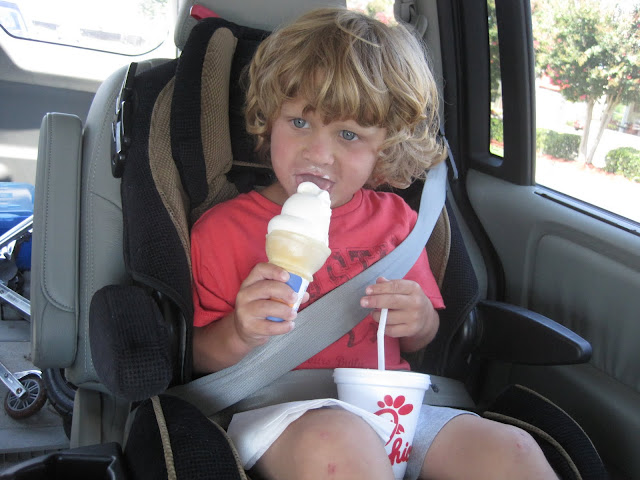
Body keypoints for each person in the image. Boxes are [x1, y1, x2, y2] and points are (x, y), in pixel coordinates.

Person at [191, 7, 558, 480]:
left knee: (511, 448)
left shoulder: (396, 224)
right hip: (279, 411)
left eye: (348, 134)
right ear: (269, 120)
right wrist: (241, 332)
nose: (318, 153)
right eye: (299, 123)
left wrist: (419, 319)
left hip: (387, 399)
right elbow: (199, 357)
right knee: (339, 443)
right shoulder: (221, 231)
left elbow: (420, 336)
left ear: (384, 148)